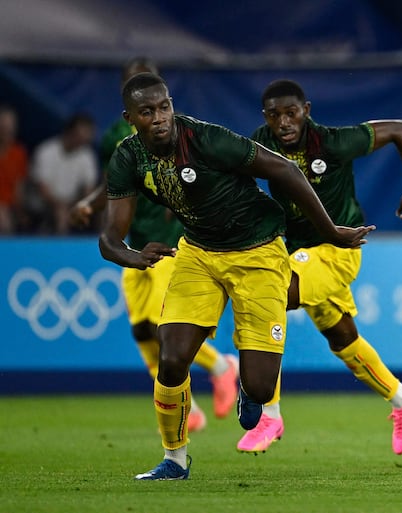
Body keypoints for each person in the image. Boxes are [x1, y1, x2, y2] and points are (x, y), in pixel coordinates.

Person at [99, 72, 372, 480]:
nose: (159, 117)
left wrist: (332, 232)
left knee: (262, 390)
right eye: (147, 111)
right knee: (171, 359)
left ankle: (248, 385)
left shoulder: (207, 139)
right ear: (130, 117)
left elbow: (285, 171)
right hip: (199, 253)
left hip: (258, 250)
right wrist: (133, 256)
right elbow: (109, 237)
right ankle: (174, 460)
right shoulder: (127, 156)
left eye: (164, 106)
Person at [239, 79, 402, 456]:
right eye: (275, 116)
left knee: (270, 294)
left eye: (291, 113)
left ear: (306, 110)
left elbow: (400, 131)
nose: (284, 122)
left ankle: (269, 416)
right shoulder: (262, 141)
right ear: (266, 118)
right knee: (343, 340)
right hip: (297, 252)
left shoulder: (334, 142)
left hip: (339, 250)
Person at [71, 57, 240, 432]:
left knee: (165, 326)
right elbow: (114, 183)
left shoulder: (181, 133)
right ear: (129, 107)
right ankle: (193, 405)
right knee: (141, 331)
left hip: (170, 242)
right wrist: (89, 204)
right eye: (142, 102)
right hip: (137, 242)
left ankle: (220, 367)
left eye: (160, 102)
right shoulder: (118, 139)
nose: (156, 113)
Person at [26, 112, 99, 234]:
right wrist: (60, 205)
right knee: (60, 212)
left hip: (73, 202)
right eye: (80, 136)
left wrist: (85, 204)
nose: (83, 141)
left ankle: (106, 247)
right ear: (70, 133)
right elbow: (42, 189)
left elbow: (88, 188)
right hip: (44, 201)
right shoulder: (46, 151)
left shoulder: (87, 155)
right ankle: (61, 248)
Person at [0, 104, 28, 234]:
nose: (7, 131)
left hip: (10, 206)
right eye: (4, 127)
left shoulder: (19, 153)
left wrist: (20, 211)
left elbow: (19, 186)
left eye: (10, 127)